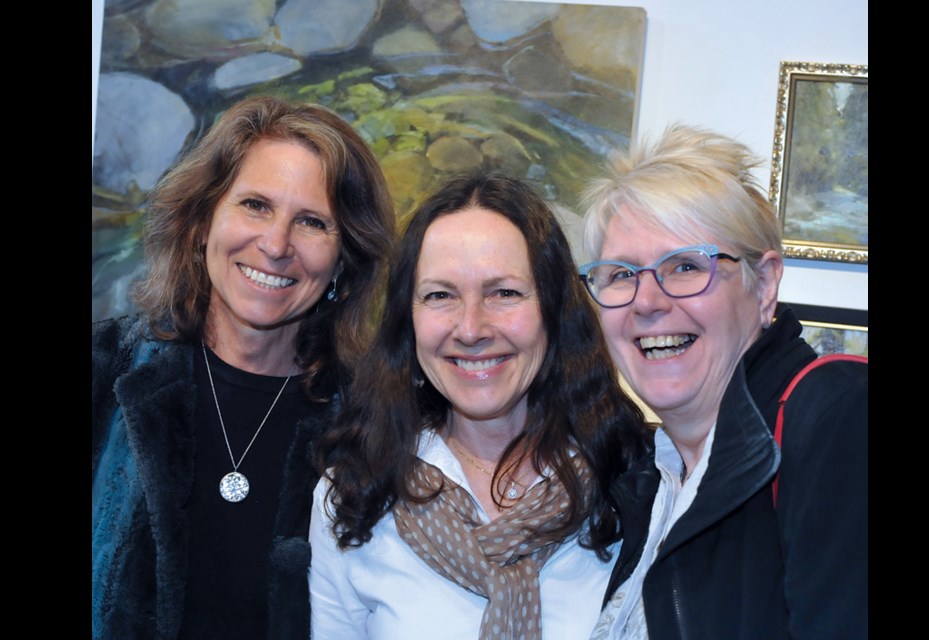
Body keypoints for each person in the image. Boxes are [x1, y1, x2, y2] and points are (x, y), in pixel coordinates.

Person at [92, 95, 396, 640]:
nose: (276, 245)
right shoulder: (106, 371)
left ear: (343, 260)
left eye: (312, 222)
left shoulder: (375, 426)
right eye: (255, 205)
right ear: (203, 219)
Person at [307, 173, 651, 639]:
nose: (471, 329)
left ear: (553, 309)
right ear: (408, 320)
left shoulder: (632, 481)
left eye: (504, 293)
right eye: (440, 295)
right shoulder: (354, 493)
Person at [577, 124, 867, 639]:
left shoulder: (837, 417)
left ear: (765, 284)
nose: (647, 302)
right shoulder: (653, 477)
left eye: (686, 266)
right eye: (621, 274)